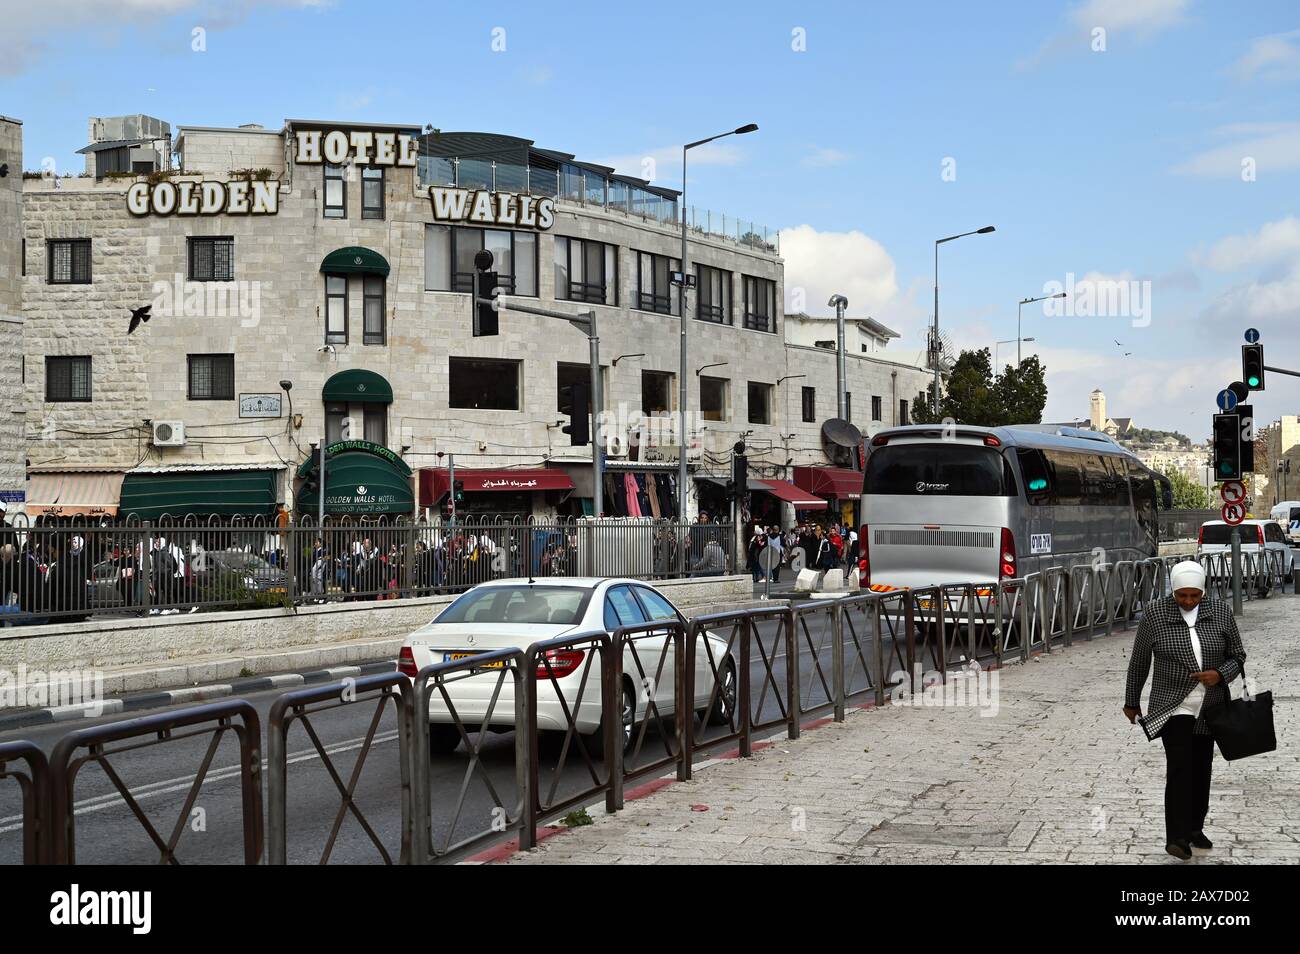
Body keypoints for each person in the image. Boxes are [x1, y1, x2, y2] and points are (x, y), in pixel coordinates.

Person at [1124, 560, 1246, 861]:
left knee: (1202, 768)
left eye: (1194, 596)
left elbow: (1238, 655)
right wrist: (1131, 700)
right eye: (1182, 595)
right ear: (1174, 590)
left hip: (1210, 705)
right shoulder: (1155, 614)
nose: (1188, 601)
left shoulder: (1220, 612)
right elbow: (1140, 661)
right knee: (1180, 766)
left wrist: (1220, 673)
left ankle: (1194, 827)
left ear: (1203, 592)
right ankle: (1176, 837)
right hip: (1172, 704)